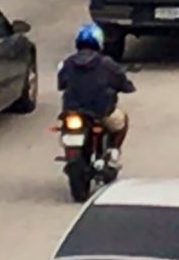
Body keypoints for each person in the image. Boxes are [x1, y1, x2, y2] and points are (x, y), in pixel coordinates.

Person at [58, 23, 135, 163]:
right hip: (100, 112)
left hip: (72, 112)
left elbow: (61, 84)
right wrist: (127, 87)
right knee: (121, 122)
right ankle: (113, 151)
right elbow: (123, 83)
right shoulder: (107, 63)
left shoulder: (67, 63)